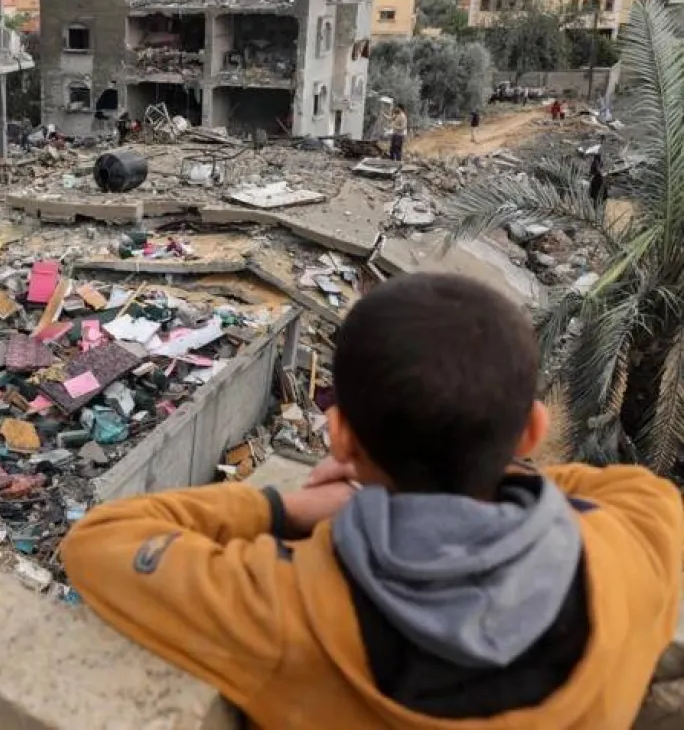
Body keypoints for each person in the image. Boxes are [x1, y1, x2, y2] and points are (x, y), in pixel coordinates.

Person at [61, 273, 683, 729]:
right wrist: (493, 463)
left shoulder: (285, 610)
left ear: (339, 437)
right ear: (532, 432)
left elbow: (98, 543)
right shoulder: (635, 548)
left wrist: (285, 510)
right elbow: (628, 489)